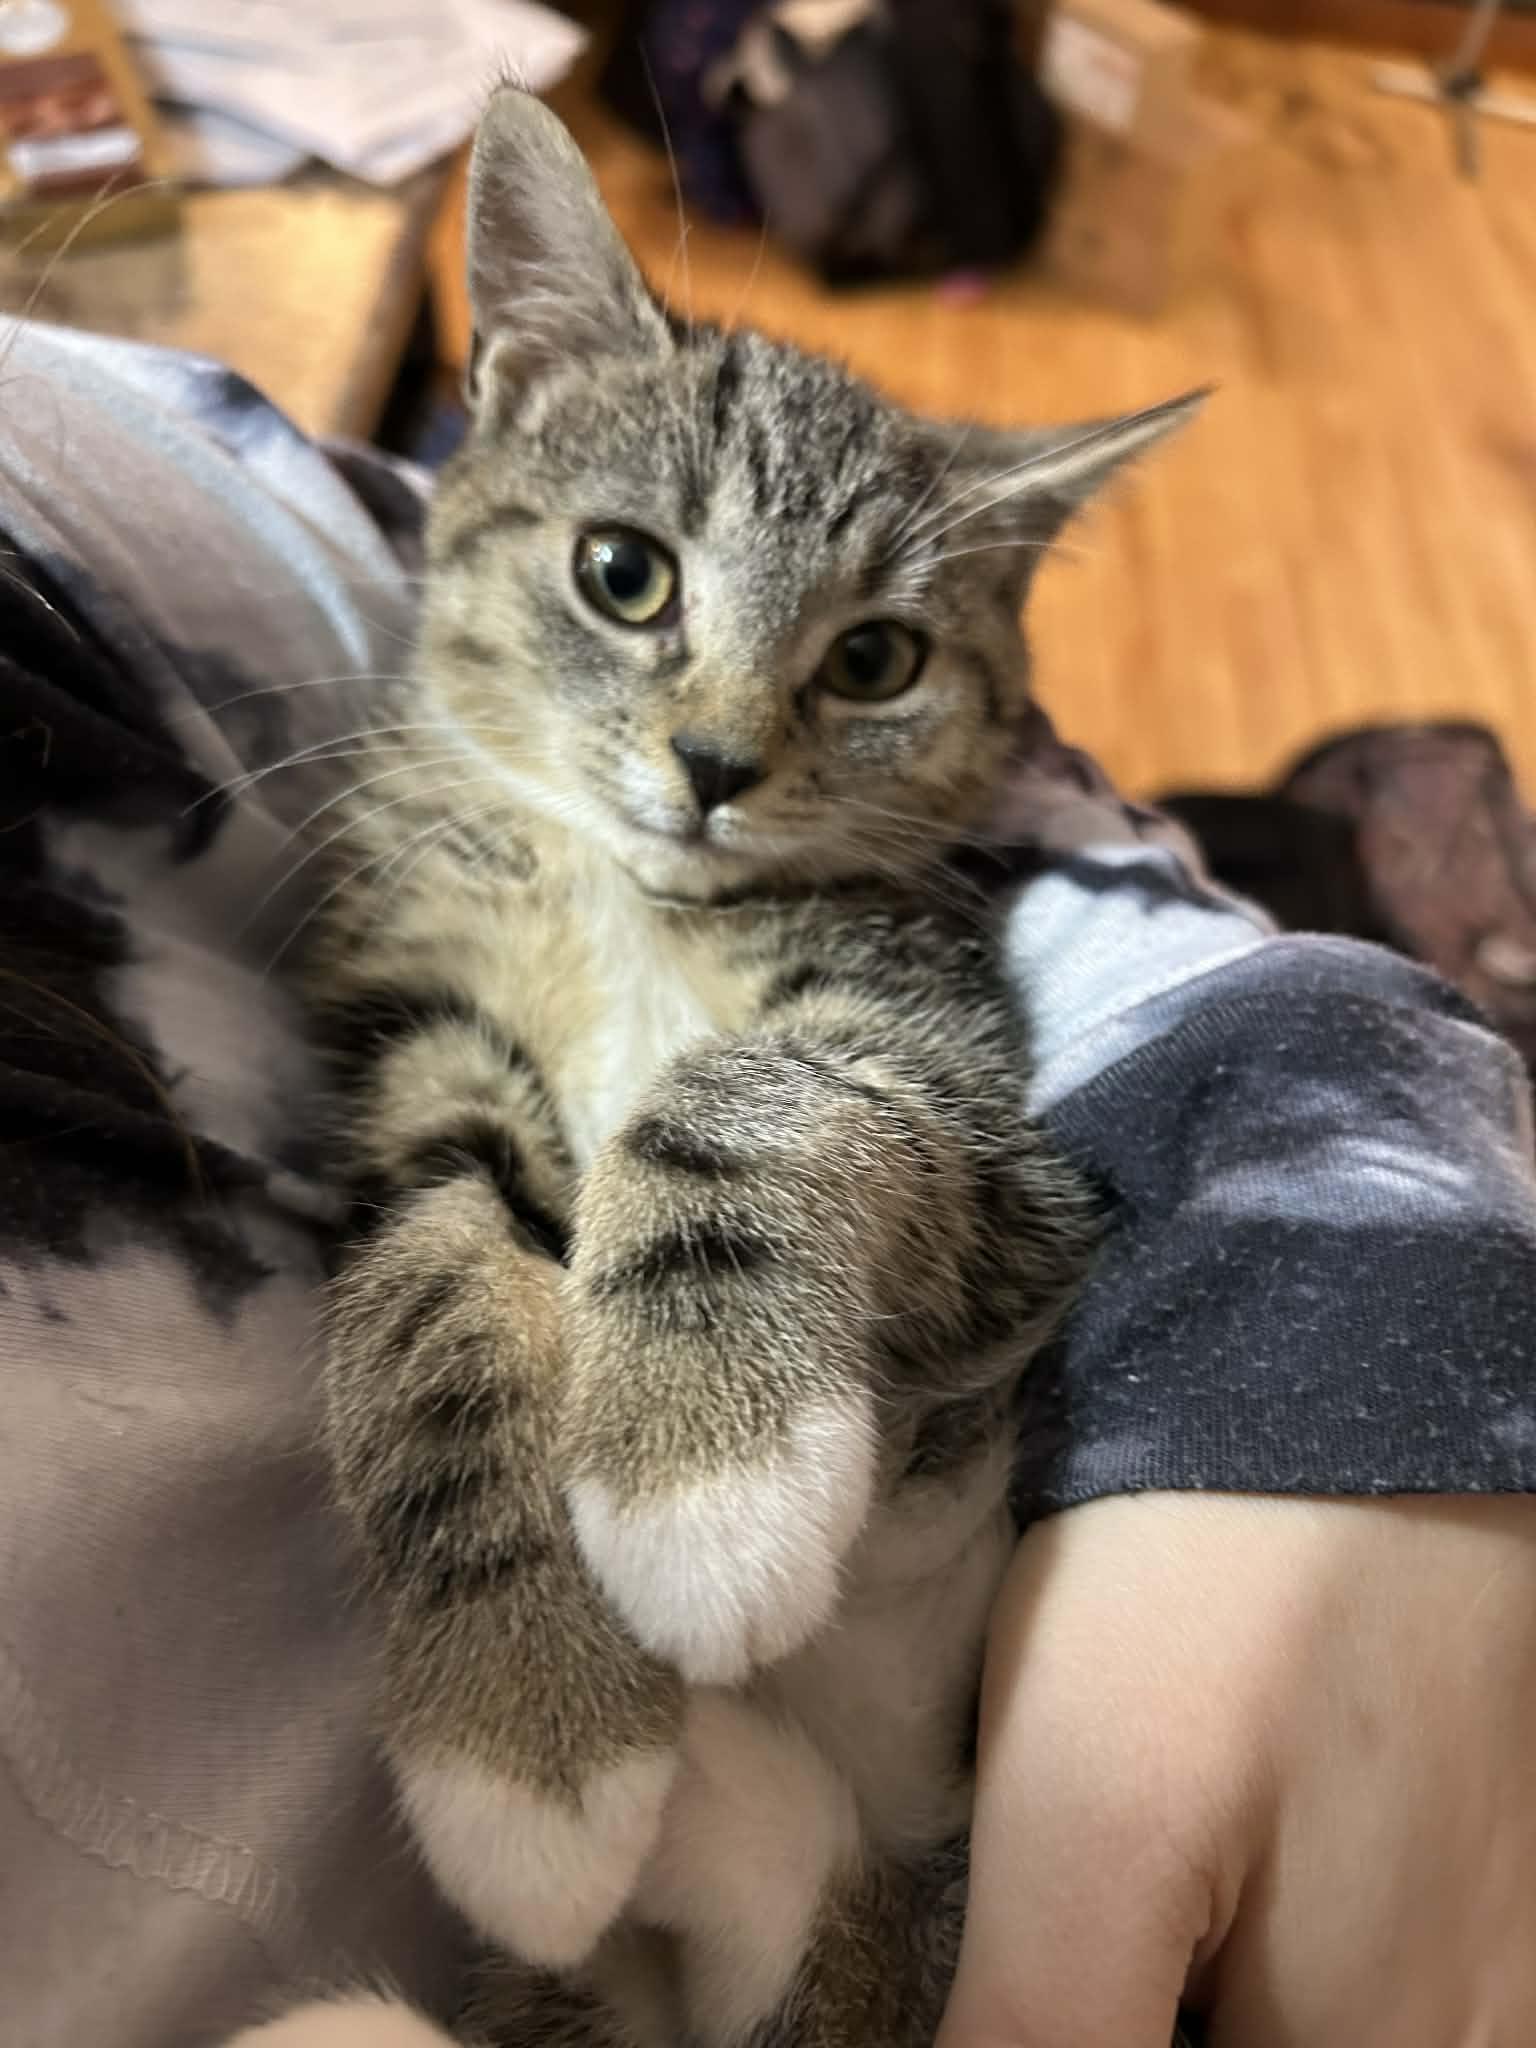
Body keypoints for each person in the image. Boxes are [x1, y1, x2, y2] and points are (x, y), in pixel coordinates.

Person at [1, 321, 1532, 2048]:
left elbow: (994, 1207)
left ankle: (815, 1911)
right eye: (631, 575)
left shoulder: (883, 909)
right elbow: (439, 1204)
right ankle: (809, 1917)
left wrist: (738, 1182)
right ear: (509, 414)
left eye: (867, 660)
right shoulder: (420, 873)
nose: (725, 734)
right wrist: (479, 1554)